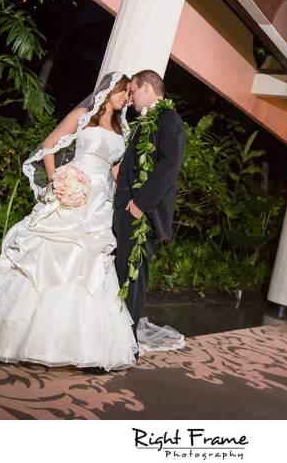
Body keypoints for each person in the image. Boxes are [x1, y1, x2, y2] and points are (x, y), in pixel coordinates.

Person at [0, 72, 139, 373]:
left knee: (88, 266)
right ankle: (17, 338)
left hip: (99, 204)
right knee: (43, 258)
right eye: (124, 91)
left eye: (130, 93)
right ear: (111, 88)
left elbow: (116, 169)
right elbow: (49, 145)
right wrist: (57, 180)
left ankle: (76, 344)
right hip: (71, 193)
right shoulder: (82, 115)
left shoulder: (121, 128)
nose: (127, 98)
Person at [114, 70, 187, 358]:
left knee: (133, 279)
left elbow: (169, 167)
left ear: (147, 88)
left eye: (133, 91)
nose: (130, 97)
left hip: (141, 213)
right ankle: (115, 335)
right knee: (121, 275)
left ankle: (126, 345)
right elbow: (137, 164)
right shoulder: (143, 122)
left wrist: (140, 204)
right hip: (126, 210)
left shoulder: (170, 120)